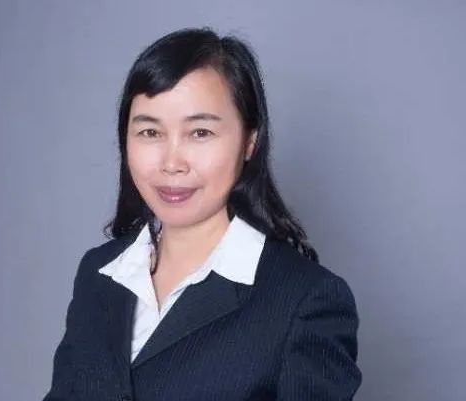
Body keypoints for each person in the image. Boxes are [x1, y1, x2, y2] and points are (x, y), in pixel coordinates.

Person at [42, 27, 362, 401]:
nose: (171, 163)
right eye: (150, 133)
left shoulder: (305, 299)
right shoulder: (99, 273)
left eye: (200, 133)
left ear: (250, 142)